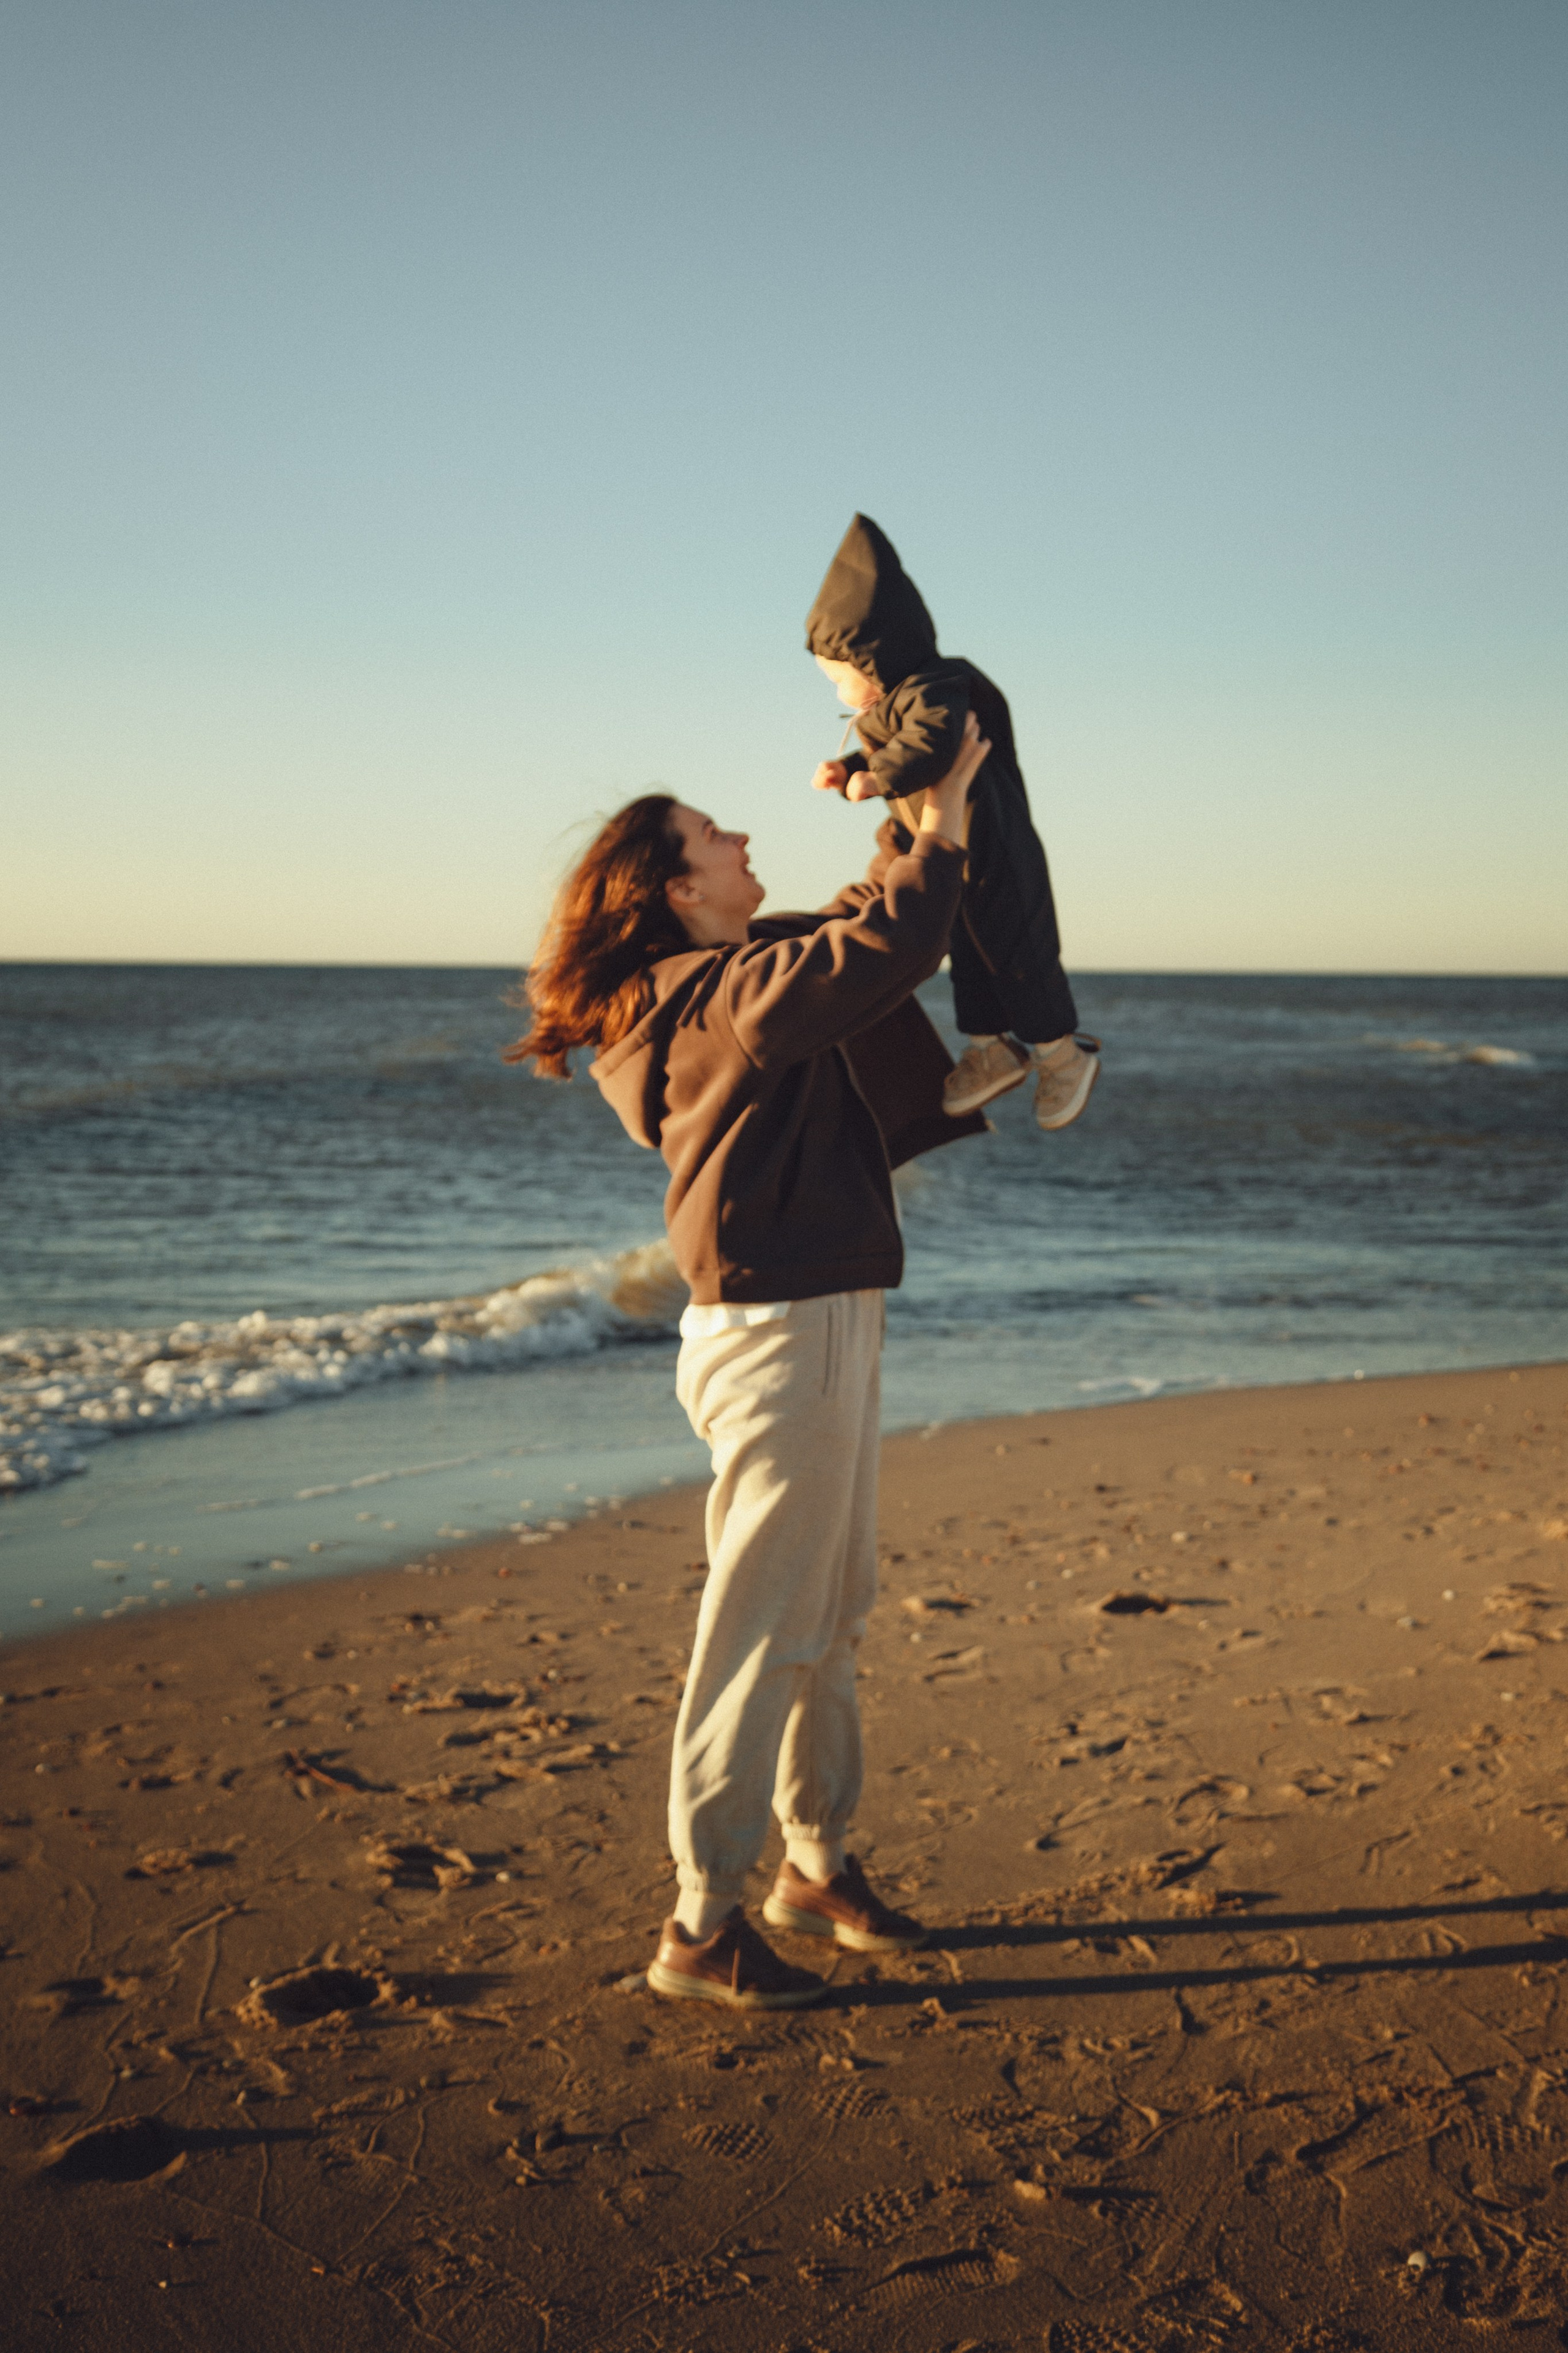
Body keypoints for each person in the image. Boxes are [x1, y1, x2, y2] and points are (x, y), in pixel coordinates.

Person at [505, 716, 993, 2009]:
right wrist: (936, 828)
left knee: (829, 1609)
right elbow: (887, 944)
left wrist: (907, 803)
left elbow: (855, 927)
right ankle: (701, 1918)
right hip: (779, 1335)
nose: (742, 841)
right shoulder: (706, 999)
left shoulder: (738, 974)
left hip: (821, 1314)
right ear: (674, 888)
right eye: (716, 838)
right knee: (756, 1626)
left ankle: (815, 1865)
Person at [807, 512, 1099, 1133]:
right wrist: (848, 772)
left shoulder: (938, 686)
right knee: (968, 953)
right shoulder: (887, 710)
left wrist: (874, 778)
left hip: (995, 851)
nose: (837, 694)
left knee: (1019, 950)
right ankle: (990, 1048)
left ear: (874, 653)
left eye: (840, 677)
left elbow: (932, 745)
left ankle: (1061, 1054)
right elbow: (893, 748)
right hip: (951, 858)